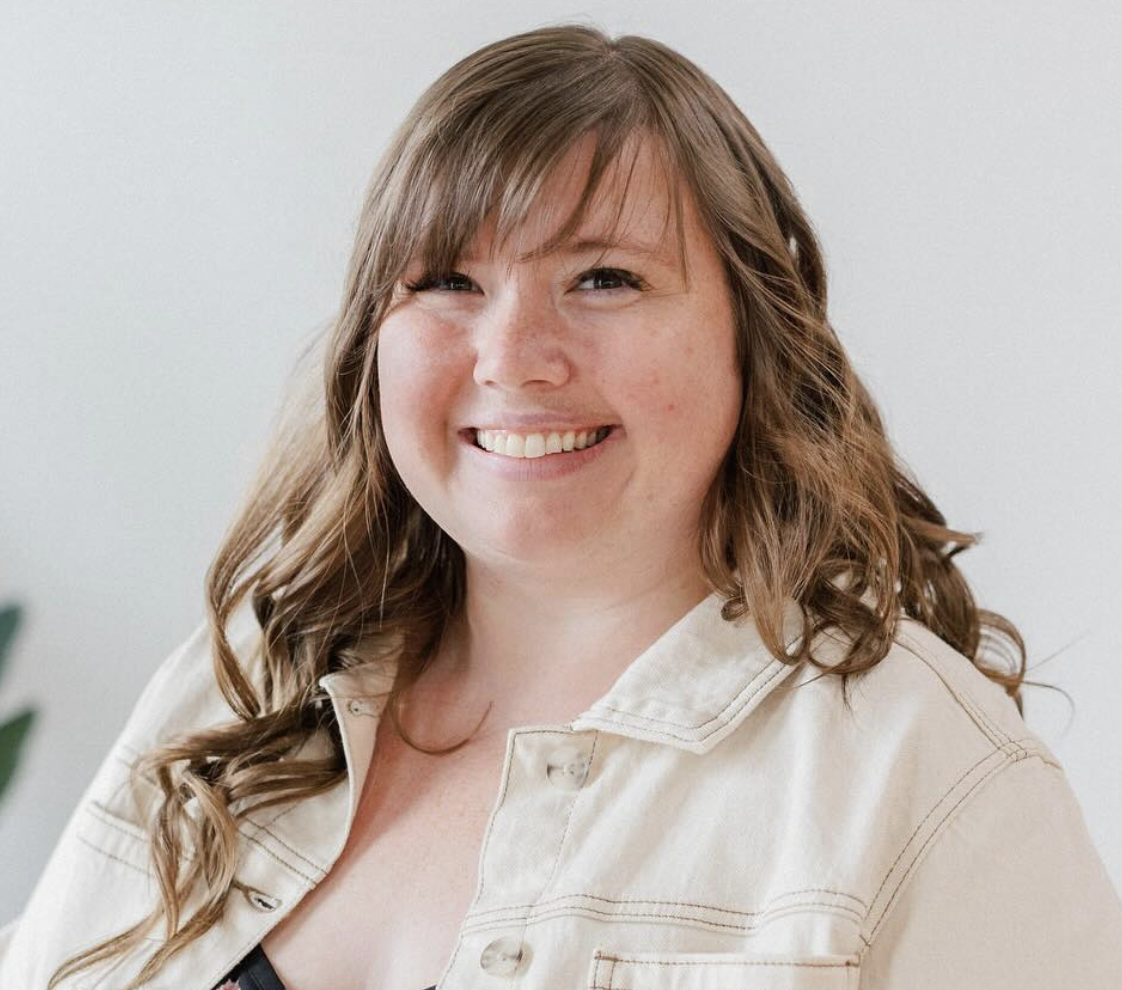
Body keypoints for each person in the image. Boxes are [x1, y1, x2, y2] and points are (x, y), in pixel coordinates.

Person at [2, 22, 1121, 990]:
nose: (514, 358)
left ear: (754, 333)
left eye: (605, 278)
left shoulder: (930, 781)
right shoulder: (243, 688)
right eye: (447, 281)